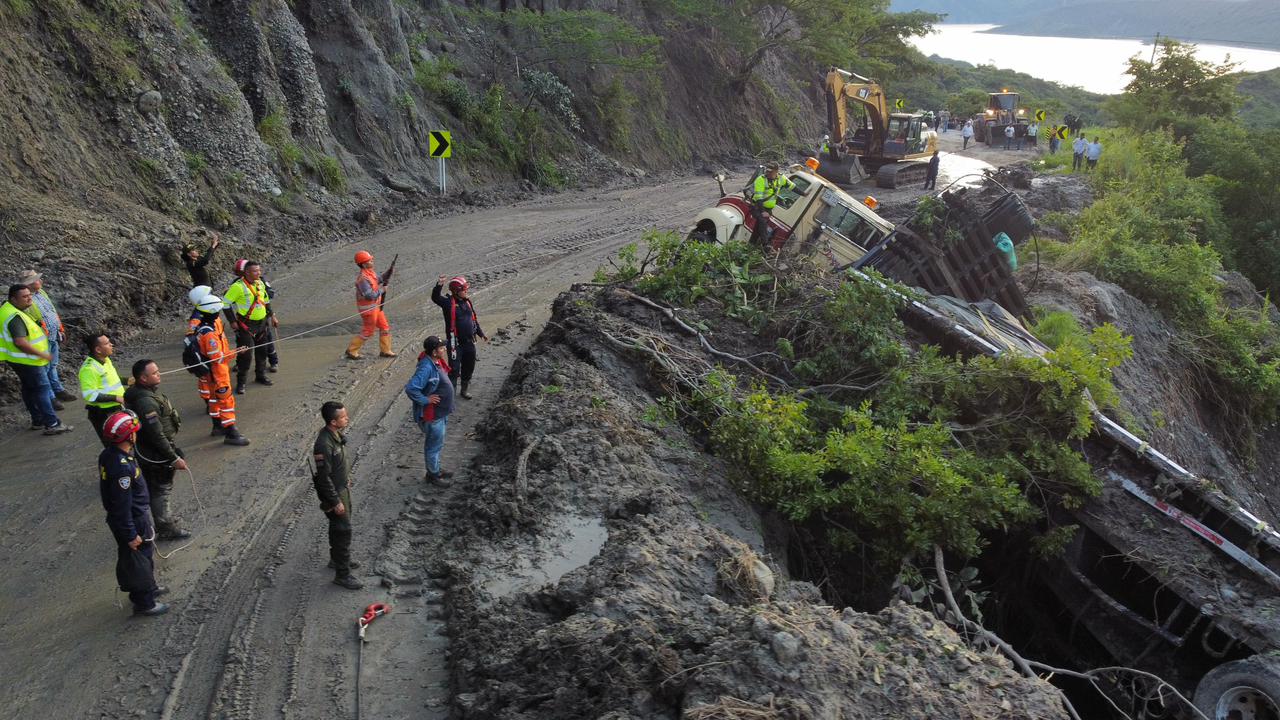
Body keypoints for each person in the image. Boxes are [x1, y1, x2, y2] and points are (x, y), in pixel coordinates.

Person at [98, 410, 169, 616]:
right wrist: (130, 534)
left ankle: (150, 587)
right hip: (133, 519)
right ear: (129, 436)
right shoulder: (121, 468)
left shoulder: (111, 455)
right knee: (138, 559)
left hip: (135, 517)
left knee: (145, 556)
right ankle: (144, 602)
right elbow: (120, 505)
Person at [125, 359, 191, 541]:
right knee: (160, 490)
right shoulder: (146, 402)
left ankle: (158, 522)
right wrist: (173, 457)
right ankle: (166, 527)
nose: (159, 375)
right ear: (143, 378)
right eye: (154, 373)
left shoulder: (139, 393)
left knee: (154, 488)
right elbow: (156, 435)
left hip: (149, 450)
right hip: (154, 454)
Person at [0, 285, 71, 434]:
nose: (29, 299)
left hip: (18, 360)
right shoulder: (15, 317)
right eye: (24, 297)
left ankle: (38, 420)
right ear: (13, 299)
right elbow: (20, 342)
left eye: (29, 295)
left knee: (29, 389)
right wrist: (42, 355)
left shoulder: (9, 310)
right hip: (29, 361)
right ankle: (52, 424)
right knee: (42, 389)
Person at [312, 401, 362, 590]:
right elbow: (324, 478)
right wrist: (335, 501)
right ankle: (343, 574)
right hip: (335, 494)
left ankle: (335, 560)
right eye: (343, 417)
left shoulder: (335, 436)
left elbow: (337, 465)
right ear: (333, 422)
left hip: (341, 489)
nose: (346, 418)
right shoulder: (324, 444)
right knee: (343, 530)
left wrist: (344, 479)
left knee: (337, 526)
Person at [194, 294, 251, 446]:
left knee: (214, 399)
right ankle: (231, 431)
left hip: (210, 373)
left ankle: (217, 425)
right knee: (226, 401)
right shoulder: (210, 334)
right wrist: (237, 351)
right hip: (217, 373)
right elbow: (217, 358)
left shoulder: (204, 327)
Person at [18, 269, 77, 408]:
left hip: (52, 335)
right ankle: (51, 397)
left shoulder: (41, 293)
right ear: (30, 283)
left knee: (53, 366)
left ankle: (58, 390)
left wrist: (60, 329)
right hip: (41, 340)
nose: (41, 281)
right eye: (37, 280)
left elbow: (51, 311)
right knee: (45, 369)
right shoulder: (26, 300)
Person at [405, 336, 454, 484]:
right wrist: (426, 400)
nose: (444, 349)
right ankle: (433, 475)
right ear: (434, 352)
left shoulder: (435, 362)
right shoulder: (426, 367)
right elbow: (411, 389)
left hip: (440, 413)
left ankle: (436, 469)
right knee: (433, 445)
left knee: (437, 444)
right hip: (433, 415)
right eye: (441, 348)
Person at [223, 260, 277, 394]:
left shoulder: (260, 283)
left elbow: (265, 301)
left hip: (262, 324)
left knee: (262, 352)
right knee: (245, 355)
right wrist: (232, 321)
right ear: (246, 272)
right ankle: (241, 382)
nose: (258, 273)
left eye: (259, 270)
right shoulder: (238, 286)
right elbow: (225, 304)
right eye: (255, 271)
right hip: (246, 325)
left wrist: (272, 316)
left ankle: (260, 375)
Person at [432, 275, 486, 399]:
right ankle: (451, 394)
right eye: (464, 289)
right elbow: (435, 298)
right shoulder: (447, 304)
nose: (466, 291)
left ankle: (464, 389)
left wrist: (481, 333)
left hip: (469, 342)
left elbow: (473, 320)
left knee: (469, 366)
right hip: (454, 343)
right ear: (456, 291)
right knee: (454, 369)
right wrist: (439, 284)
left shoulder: (467, 302)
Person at [345, 251, 397, 360]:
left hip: (376, 307)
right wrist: (382, 290)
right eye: (370, 260)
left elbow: (379, 279)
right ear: (363, 264)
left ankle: (385, 350)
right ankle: (352, 350)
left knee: (384, 327)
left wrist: (388, 272)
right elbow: (369, 295)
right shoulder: (362, 279)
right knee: (368, 331)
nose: (372, 261)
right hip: (368, 309)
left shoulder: (370, 273)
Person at [79, 332, 126, 446]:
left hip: (115, 409)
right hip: (104, 413)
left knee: (125, 442)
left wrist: (127, 380)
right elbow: (90, 395)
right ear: (98, 350)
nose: (111, 345)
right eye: (107, 343)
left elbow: (110, 380)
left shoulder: (105, 360)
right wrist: (116, 398)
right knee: (114, 445)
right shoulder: (88, 369)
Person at [747, 162, 795, 248]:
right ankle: (765, 244)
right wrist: (763, 211)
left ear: (776, 172)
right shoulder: (761, 179)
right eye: (767, 171)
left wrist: (805, 194)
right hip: (757, 206)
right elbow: (758, 198)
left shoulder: (781, 178)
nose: (767, 173)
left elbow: (792, 187)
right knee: (762, 220)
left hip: (768, 209)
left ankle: (752, 244)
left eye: (770, 172)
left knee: (759, 227)